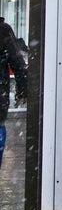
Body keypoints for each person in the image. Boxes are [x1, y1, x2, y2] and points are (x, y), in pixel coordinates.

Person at [0, 16, 28, 169]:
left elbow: (17, 62)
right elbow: (17, 62)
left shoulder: (3, 30)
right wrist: (23, 90)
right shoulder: (3, 30)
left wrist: (23, 89)